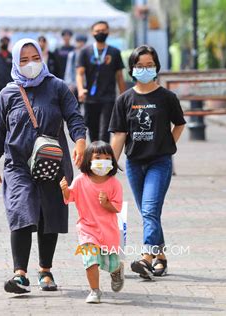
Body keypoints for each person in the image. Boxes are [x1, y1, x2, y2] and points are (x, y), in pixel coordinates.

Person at [0, 38, 86, 294]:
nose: (30, 64)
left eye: (34, 58)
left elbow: (74, 117)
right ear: (15, 62)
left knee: (47, 214)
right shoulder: (7, 93)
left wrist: (80, 141)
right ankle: (19, 274)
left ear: (42, 58)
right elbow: (0, 131)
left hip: (52, 161)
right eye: (23, 59)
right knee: (21, 210)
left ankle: (45, 270)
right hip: (17, 163)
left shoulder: (57, 87)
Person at [109, 45, 186, 279]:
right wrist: (109, 166)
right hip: (134, 164)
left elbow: (179, 123)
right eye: (140, 66)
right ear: (132, 69)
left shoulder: (167, 98)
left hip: (159, 163)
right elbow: (120, 135)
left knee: (150, 210)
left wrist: (168, 145)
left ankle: (145, 258)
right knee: (148, 214)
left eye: (149, 65)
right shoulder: (125, 100)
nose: (144, 69)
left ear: (156, 67)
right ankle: (161, 257)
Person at [60, 141, 124, 303]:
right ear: (89, 159)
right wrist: (65, 190)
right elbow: (70, 198)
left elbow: (117, 208)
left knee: (111, 263)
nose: (102, 161)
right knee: (90, 261)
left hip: (108, 231)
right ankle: (95, 291)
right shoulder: (81, 180)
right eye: (98, 157)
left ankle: (117, 270)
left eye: (107, 157)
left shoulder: (114, 183)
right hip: (87, 230)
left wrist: (106, 203)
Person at [76, 21, 126, 143]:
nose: (100, 33)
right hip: (90, 98)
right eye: (97, 31)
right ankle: (95, 158)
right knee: (92, 131)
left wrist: (124, 96)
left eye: (103, 30)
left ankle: (105, 159)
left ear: (108, 31)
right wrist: (81, 89)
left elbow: (119, 76)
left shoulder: (114, 52)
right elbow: (80, 74)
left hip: (108, 98)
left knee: (105, 132)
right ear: (92, 33)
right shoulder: (85, 52)